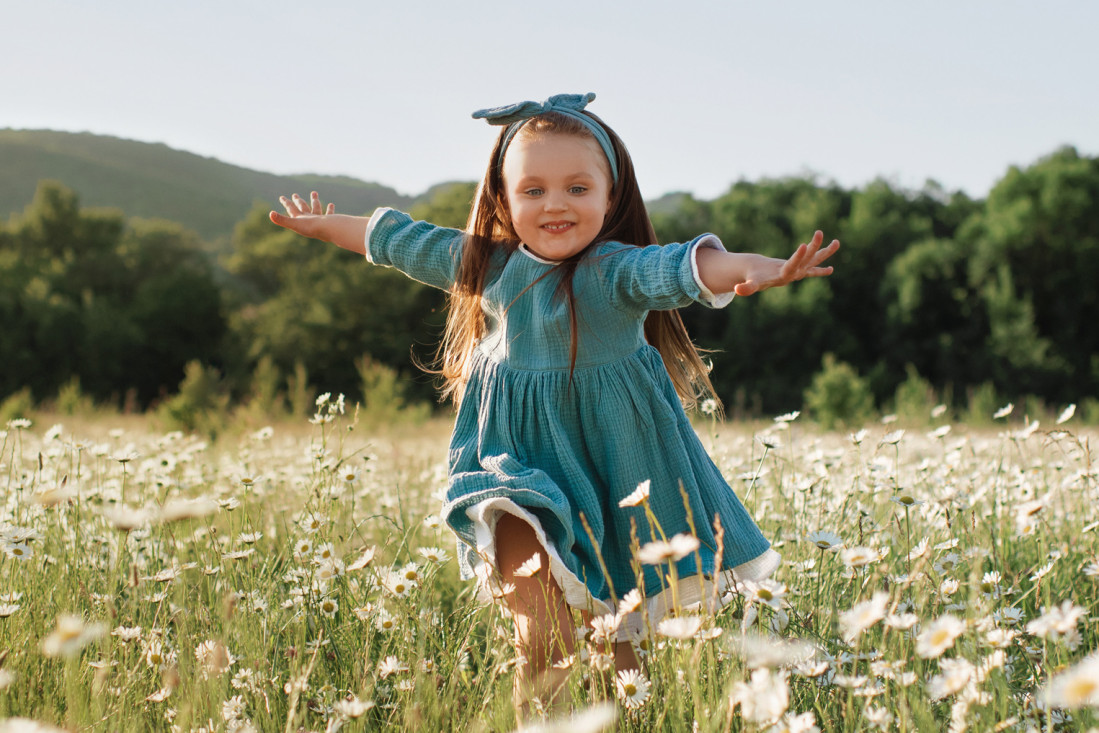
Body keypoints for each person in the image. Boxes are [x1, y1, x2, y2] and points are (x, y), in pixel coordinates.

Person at [269, 93, 838, 716]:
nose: (556, 204)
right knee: (543, 638)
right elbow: (402, 241)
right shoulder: (486, 265)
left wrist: (768, 268)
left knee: (619, 654)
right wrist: (323, 227)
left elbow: (686, 267)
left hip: (616, 477)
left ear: (610, 197)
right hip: (512, 470)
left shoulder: (618, 273)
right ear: (504, 200)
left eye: (577, 187)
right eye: (533, 190)